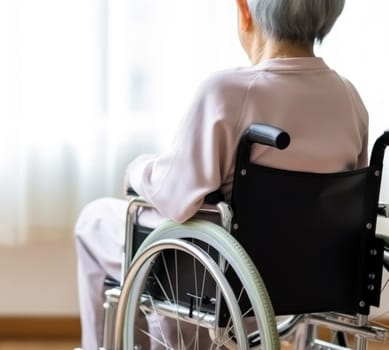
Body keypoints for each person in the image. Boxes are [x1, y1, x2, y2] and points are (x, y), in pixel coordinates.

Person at [75, 0, 366, 348]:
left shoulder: (228, 92)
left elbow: (175, 197)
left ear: (246, 11)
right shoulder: (349, 98)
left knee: (93, 222)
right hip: (307, 273)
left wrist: (137, 171)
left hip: (227, 274)